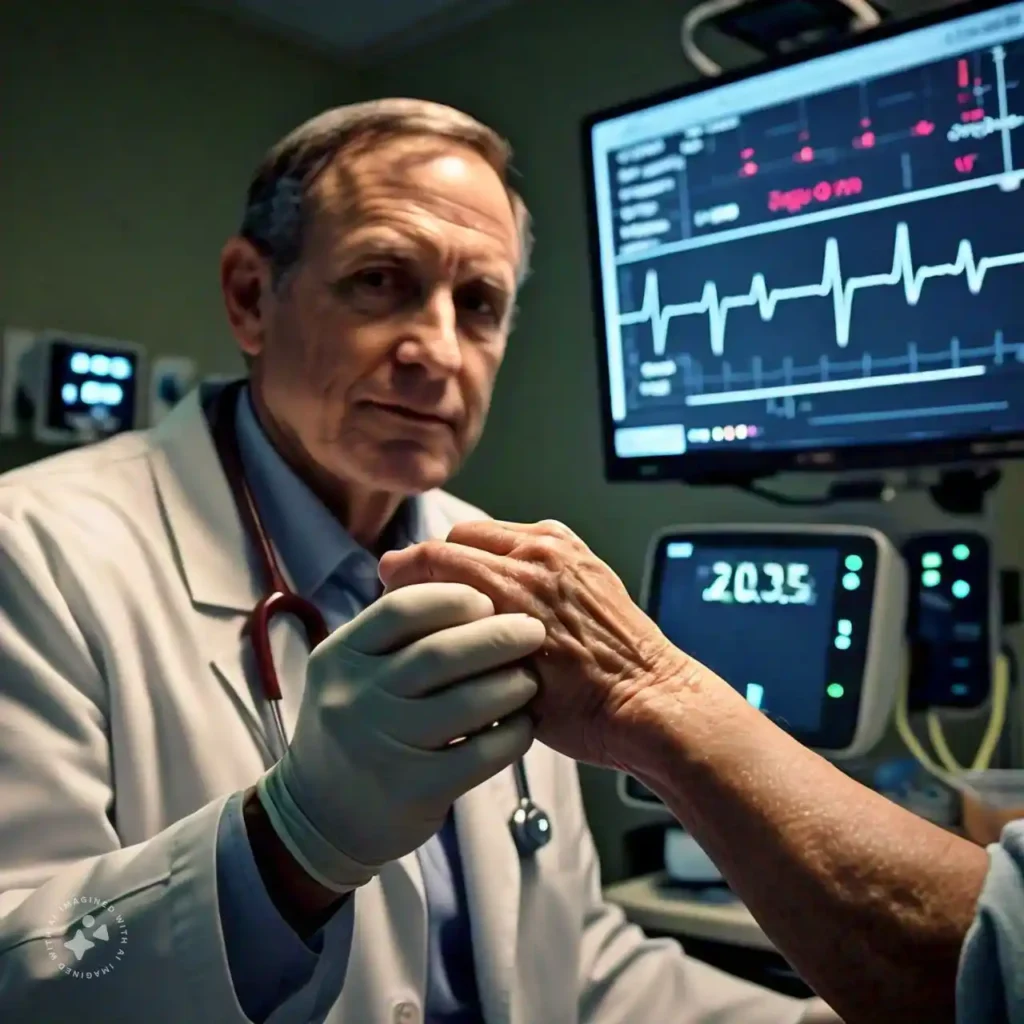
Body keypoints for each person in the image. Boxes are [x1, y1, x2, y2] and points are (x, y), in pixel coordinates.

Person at [0, 100, 837, 1023]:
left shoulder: (514, 575)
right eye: (380, 281)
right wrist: (291, 849)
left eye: (478, 305)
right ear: (250, 297)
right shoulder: (36, 552)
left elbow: (569, 963)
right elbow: (23, 976)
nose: (437, 351)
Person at [378, 518, 1022, 1024]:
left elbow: (572, 960)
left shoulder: (529, 576)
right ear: (268, 341)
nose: (437, 353)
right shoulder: (529, 575)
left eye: (483, 335)